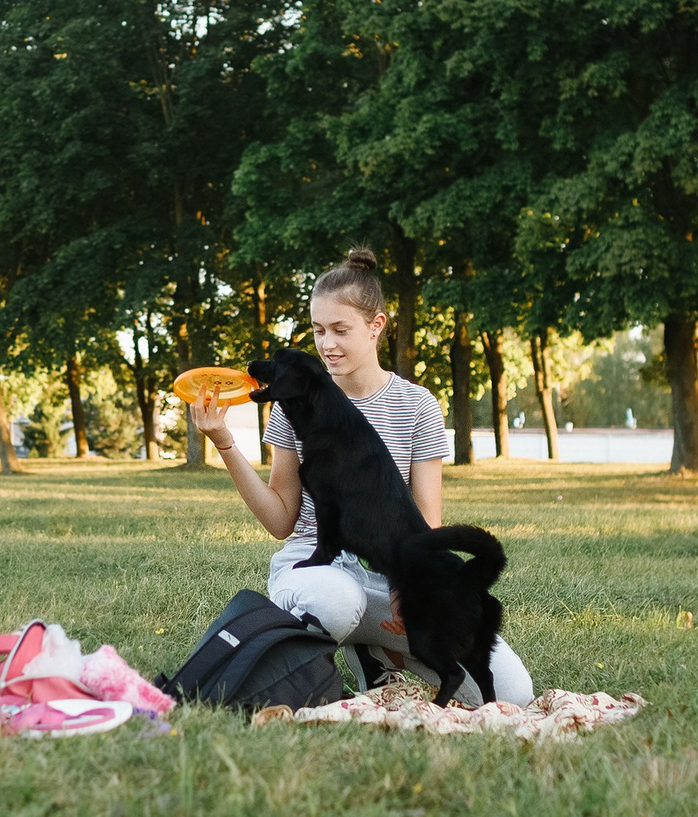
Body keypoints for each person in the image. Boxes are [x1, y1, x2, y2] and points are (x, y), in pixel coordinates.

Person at [189, 247, 533, 707]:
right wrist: (225, 444)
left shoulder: (417, 406)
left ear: (377, 326)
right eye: (318, 331)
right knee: (335, 602)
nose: (327, 344)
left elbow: (426, 523)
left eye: (340, 329)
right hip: (320, 573)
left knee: (513, 693)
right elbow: (280, 520)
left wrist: (405, 588)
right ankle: (319, 669)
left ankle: (375, 649)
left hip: (393, 576)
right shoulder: (294, 404)